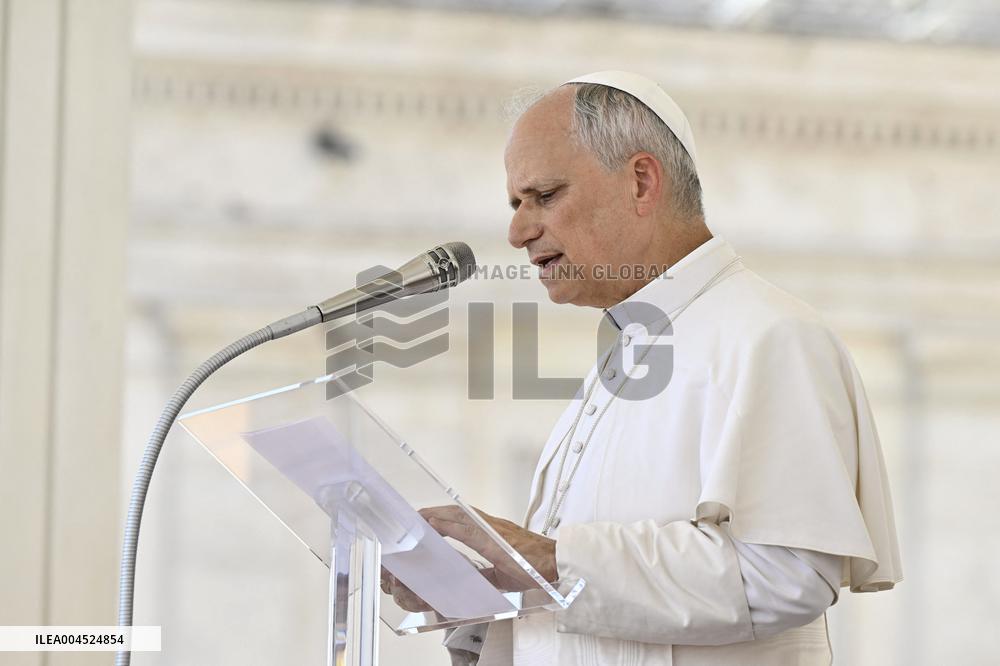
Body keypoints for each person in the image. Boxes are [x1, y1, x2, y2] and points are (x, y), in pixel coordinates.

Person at [402, 71, 902, 665]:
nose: (518, 232)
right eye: (516, 204)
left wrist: (550, 560)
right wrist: (483, 596)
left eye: (545, 196)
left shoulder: (771, 335)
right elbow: (590, 599)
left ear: (641, 182)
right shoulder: (626, 351)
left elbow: (787, 576)